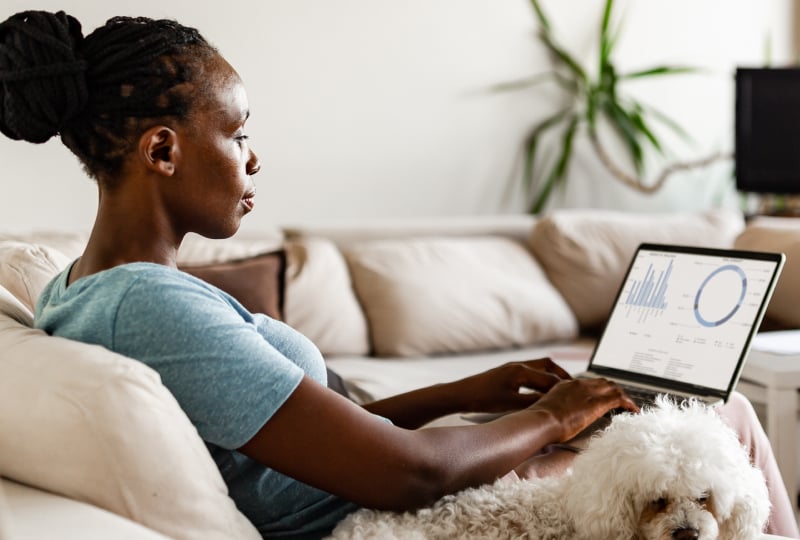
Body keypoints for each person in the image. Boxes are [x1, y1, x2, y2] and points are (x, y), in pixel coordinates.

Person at [0, 10, 796, 539]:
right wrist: (554, 416)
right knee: (718, 421)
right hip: (391, 515)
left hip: (368, 488)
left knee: (674, 415)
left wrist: (467, 392)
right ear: (163, 151)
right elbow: (403, 471)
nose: (254, 156)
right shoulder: (148, 307)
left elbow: (303, 427)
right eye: (238, 131)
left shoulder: (84, 287)